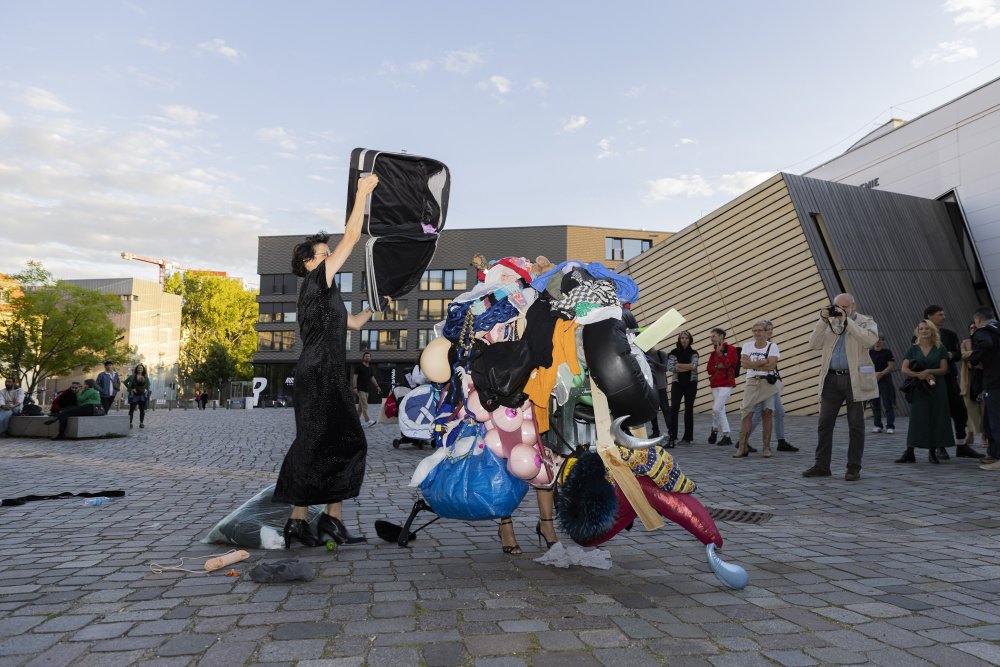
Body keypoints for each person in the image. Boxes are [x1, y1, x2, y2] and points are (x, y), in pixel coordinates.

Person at [273, 174, 382, 548]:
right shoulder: (316, 282)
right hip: (319, 372)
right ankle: (322, 521)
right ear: (308, 263)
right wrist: (361, 194)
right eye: (324, 254)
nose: (330, 257)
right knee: (340, 442)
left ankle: (304, 523)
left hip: (326, 372)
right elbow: (351, 238)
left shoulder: (329, 295)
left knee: (327, 442)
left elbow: (351, 323)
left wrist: (374, 308)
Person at [803, 293, 879, 481]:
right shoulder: (830, 323)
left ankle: (853, 467)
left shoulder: (865, 321)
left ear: (853, 306)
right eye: (837, 306)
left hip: (854, 379)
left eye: (844, 307)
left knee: (856, 425)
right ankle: (822, 465)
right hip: (831, 380)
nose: (840, 310)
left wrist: (847, 322)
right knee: (824, 423)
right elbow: (813, 344)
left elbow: (869, 341)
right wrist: (822, 321)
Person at [923, 305, 978, 459]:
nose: (944, 317)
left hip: (950, 379)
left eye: (944, 314)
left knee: (960, 411)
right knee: (939, 414)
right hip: (933, 380)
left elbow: (958, 354)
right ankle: (940, 447)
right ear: (930, 316)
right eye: (940, 314)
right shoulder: (921, 333)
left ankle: (961, 445)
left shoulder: (950, 334)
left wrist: (949, 355)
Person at [895, 320, 953, 464]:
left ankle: (932, 451)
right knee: (916, 418)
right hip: (919, 388)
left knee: (936, 417)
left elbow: (944, 369)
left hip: (937, 388)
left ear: (932, 330)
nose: (924, 331)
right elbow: (904, 369)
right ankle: (909, 451)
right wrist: (919, 375)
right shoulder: (913, 348)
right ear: (918, 331)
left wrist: (928, 371)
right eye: (921, 329)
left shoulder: (940, 348)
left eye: (927, 328)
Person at [747, 320, 799, 452]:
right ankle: (743, 440)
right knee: (760, 413)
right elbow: (758, 364)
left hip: (771, 381)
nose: (770, 331)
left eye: (771, 329)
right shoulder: (758, 346)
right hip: (761, 382)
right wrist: (764, 364)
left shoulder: (771, 345)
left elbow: (772, 365)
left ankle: (780, 441)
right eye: (768, 329)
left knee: (778, 412)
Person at [734, 321, 780, 458]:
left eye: (760, 330)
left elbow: (771, 366)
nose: (757, 333)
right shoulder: (747, 346)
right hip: (752, 382)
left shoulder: (773, 346)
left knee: (767, 413)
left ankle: (766, 447)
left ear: (766, 332)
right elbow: (744, 365)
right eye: (754, 331)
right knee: (746, 413)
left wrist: (753, 364)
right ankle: (742, 446)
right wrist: (763, 361)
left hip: (768, 382)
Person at [967, 307, 1000, 470]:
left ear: (978, 320)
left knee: (995, 420)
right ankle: (993, 453)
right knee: (989, 419)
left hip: (994, 381)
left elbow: (985, 344)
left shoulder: (982, 332)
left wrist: (973, 359)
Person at [705, 327, 737, 448]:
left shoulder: (731, 349)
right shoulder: (713, 353)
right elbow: (709, 369)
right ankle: (726, 436)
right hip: (715, 384)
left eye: (713, 336)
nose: (711, 338)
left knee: (716, 409)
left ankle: (715, 430)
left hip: (727, 383)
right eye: (711, 336)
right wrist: (719, 365)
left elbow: (730, 364)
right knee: (721, 409)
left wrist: (720, 356)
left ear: (721, 336)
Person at [666, 330, 698, 446]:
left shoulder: (694, 353)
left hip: (691, 383)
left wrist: (678, 365)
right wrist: (687, 367)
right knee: (674, 408)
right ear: (679, 340)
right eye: (682, 338)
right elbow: (670, 368)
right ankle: (673, 435)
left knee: (689, 409)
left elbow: (694, 366)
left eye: (686, 338)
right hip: (677, 383)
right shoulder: (673, 353)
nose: (684, 340)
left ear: (690, 340)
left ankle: (687, 437)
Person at [960, 322, 988, 452]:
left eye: (975, 328)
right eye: (971, 328)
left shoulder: (986, 342)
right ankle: (970, 433)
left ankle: (984, 436)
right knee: (969, 409)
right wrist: (977, 353)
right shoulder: (965, 342)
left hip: (984, 380)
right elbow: (963, 355)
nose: (973, 330)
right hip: (969, 380)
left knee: (984, 409)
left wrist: (972, 355)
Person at [869, 335, 896, 434]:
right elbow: (865, 366)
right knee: (875, 404)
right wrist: (874, 374)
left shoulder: (887, 352)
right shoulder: (869, 352)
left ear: (883, 341)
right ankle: (877, 425)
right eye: (876, 339)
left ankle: (890, 426)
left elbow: (890, 366)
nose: (878, 341)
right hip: (873, 380)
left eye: (880, 340)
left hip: (885, 380)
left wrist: (881, 374)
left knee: (887, 403)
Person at [645, 348, 670, 440]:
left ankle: (671, 430)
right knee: (652, 410)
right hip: (650, 386)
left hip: (661, 386)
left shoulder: (661, 354)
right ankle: (655, 431)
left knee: (666, 409)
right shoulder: (644, 355)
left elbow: (665, 368)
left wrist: (653, 362)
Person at [354, 351, 381, 427]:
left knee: (360, 408)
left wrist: (377, 386)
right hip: (360, 389)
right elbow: (355, 377)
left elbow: (372, 378)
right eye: (366, 356)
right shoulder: (359, 367)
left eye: (369, 356)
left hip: (367, 389)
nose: (367, 357)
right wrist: (355, 387)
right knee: (365, 405)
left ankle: (356, 422)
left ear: (370, 358)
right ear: (363, 358)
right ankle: (368, 421)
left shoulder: (370, 368)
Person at [125, 364, 151, 429]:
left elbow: (148, 385)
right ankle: (130, 423)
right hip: (134, 395)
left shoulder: (145, 377)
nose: (140, 369)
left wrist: (145, 390)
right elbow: (125, 382)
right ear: (136, 369)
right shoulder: (132, 376)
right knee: (131, 410)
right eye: (138, 368)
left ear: (143, 370)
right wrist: (131, 389)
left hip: (142, 396)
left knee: (142, 410)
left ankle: (141, 423)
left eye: (141, 368)